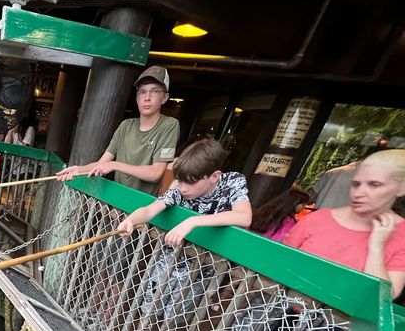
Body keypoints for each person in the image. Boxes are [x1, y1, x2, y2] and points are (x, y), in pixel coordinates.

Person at [284, 149, 405, 298]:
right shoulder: (319, 218)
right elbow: (278, 263)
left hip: (342, 314)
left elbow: (382, 298)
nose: (358, 193)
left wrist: (376, 248)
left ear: (401, 188)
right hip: (286, 307)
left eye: (375, 184)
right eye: (356, 184)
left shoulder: (402, 235)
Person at [57, 65, 180, 195]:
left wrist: (115, 165)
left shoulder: (169, 125)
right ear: (137, 98)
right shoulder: (125, 126)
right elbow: (102, 163)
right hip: (116, 200)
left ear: (165, 97)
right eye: (142, 92)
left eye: (154, 91)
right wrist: (77, 170)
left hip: (142, 203)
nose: (147, 97)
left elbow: (155, 173)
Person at [116, 138, 252, 245]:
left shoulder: (232, 182)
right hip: (170, 261)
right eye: (180, 181)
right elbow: (149, 210)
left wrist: (192, 221)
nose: (183, 188)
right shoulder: (178, 192)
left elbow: (244, 217)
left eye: (191, 182)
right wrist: (131, 220)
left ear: (214, 176)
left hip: (207, 268)